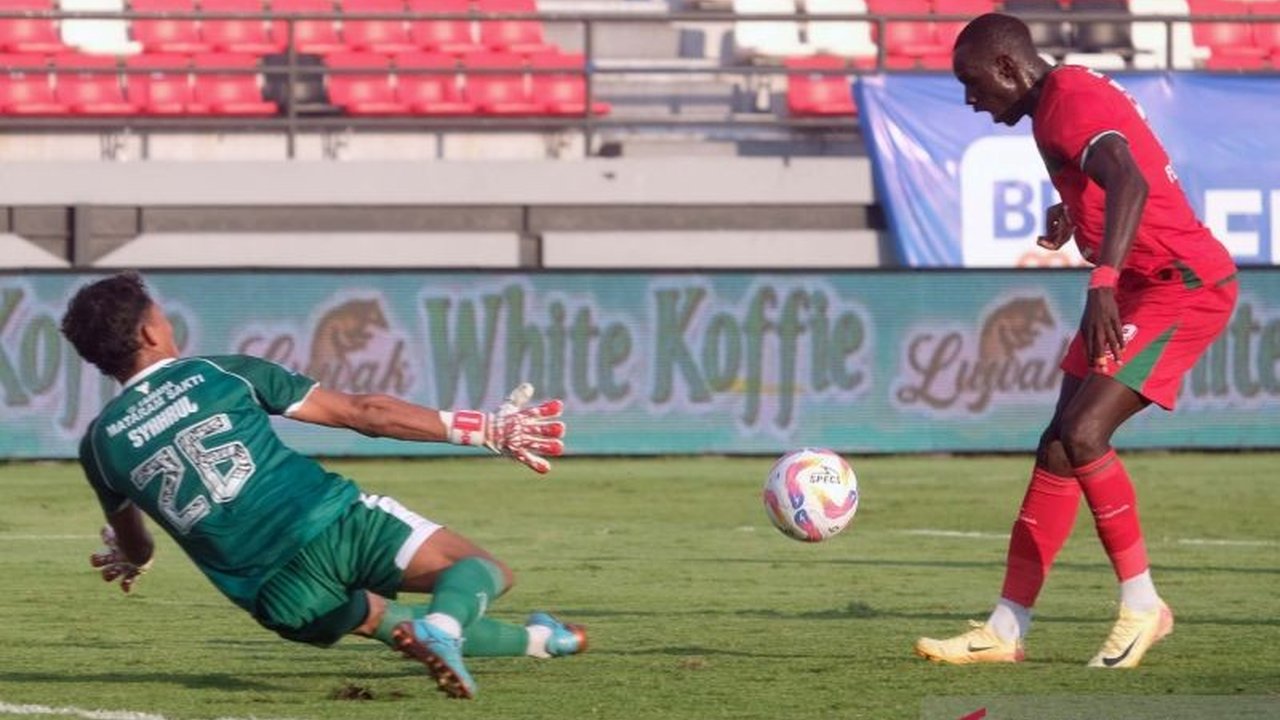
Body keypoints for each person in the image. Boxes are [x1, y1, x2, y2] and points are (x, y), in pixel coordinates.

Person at [61, 271, 584, 699]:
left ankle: (545, 641)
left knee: (405, 627)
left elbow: (135, 545)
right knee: (481, 571)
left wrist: (135, 560)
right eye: (159, 315)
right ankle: (444, 627)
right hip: (331, 525)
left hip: (275, 595)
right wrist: (483, 429)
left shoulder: (99, 445)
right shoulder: (219, 373)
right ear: (150, 333)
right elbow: (365, 414)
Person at [915, 13, 1238, 668]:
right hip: (1144, 284)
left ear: (1008, 67)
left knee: (1085, 434)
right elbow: (1110, 169)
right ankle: (1005, 629)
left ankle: (1145, 606)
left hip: (1183, 285)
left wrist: (1102, 282)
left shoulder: (1067, 103)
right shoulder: (1055, 102)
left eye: (973, 84)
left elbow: (1131, 179)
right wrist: (1074, 207)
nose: (971, 99)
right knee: (1059, 448)